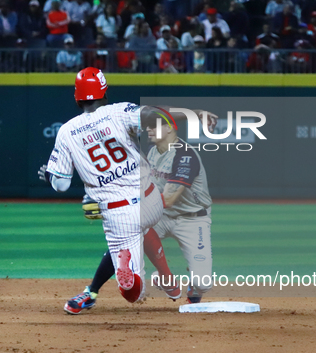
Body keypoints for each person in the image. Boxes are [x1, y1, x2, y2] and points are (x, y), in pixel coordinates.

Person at [40, 68, 193, 313]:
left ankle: (120, 269)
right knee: (143, 226)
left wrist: (48, 175)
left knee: (134, 293)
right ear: (104, 92)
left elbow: (61, 184)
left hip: (119, 214)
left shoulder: (67, 131)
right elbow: (154, 114)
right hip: (152, 199)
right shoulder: (119, 110)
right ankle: (167, 281)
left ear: (77, 97)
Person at [60, 96, 217, 313]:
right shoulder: (151, 153)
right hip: (161, 215)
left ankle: (191, 284)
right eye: (149, 126)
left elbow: (169, 199)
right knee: (127, 231)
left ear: (171, 128)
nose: (150, 130)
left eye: (156, 126)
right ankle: (92, 292)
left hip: (191, 219)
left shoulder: (185, 156)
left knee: (203, 282)